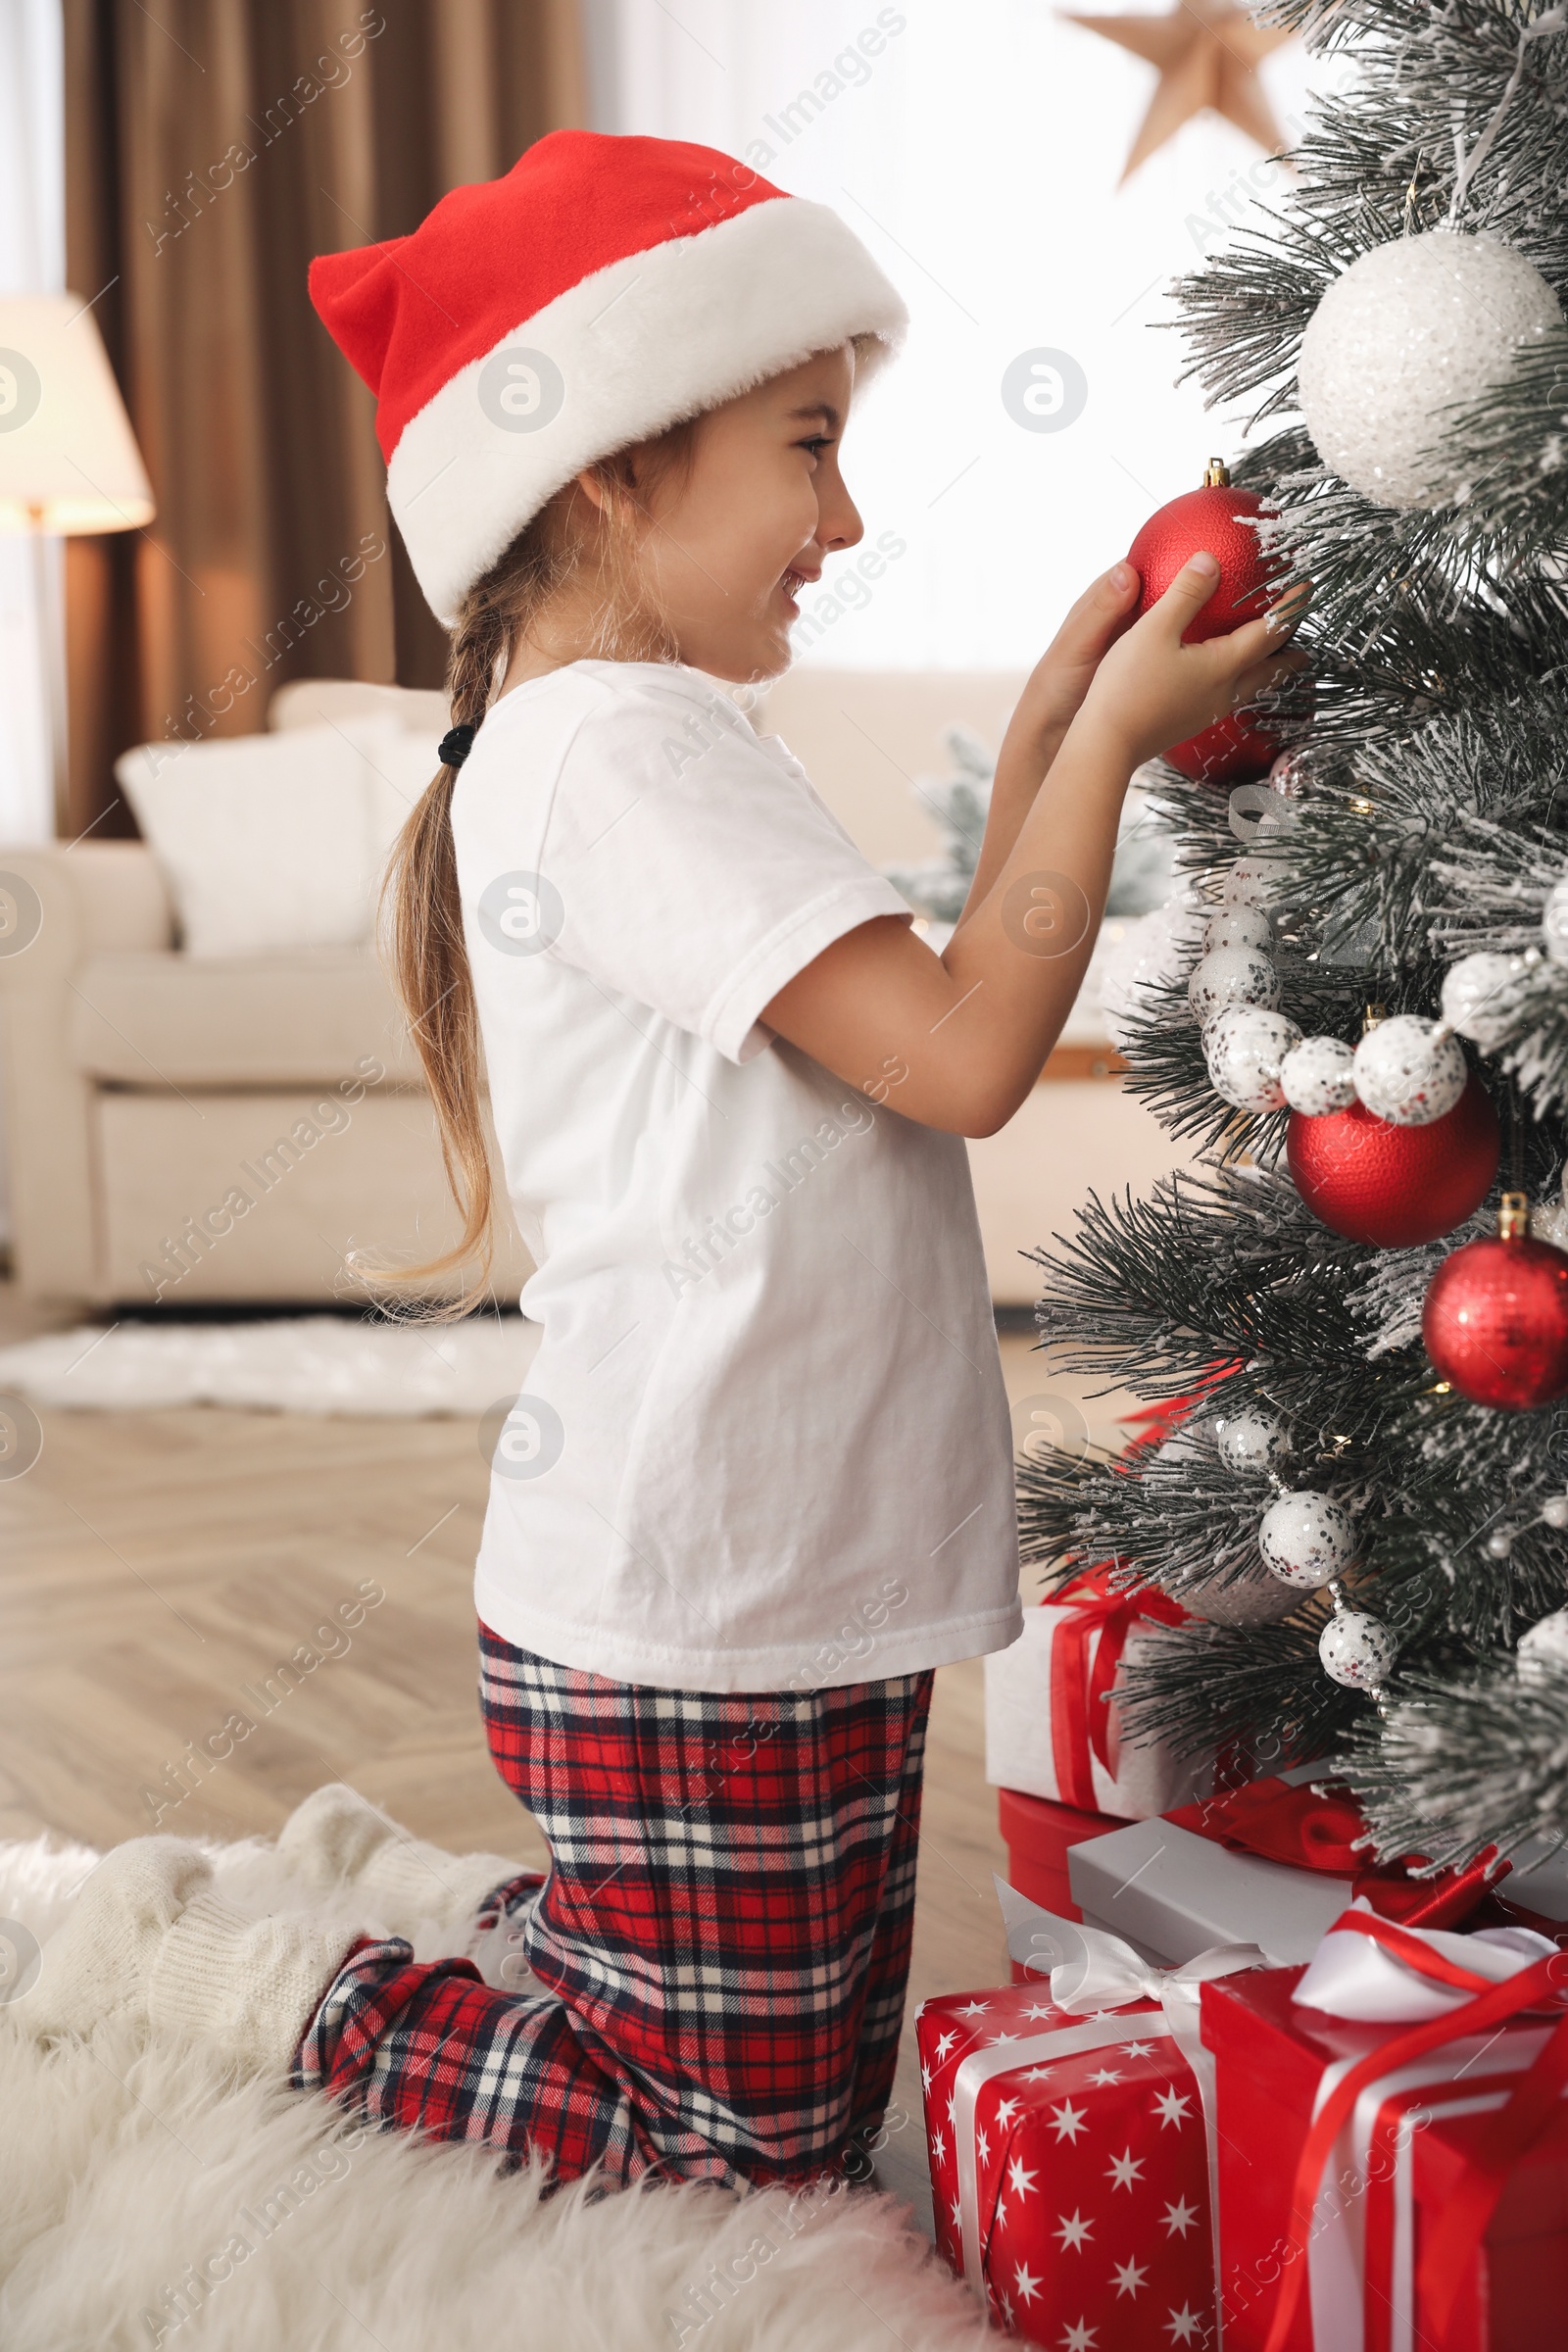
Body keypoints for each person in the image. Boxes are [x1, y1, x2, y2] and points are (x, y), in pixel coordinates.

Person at [20, 132, 1300, 2189]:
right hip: (699, 1604)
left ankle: (553, 1962)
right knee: (743, 2146)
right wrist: (1109, 753)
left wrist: (1063, 718)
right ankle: (280, 1996)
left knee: (773, 2081)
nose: (844, 514)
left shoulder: (641, 733)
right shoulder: (616, 753)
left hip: (770, 1576)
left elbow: (912, 1025)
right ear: (611, 458)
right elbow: (974, 1057)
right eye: (804, 446)